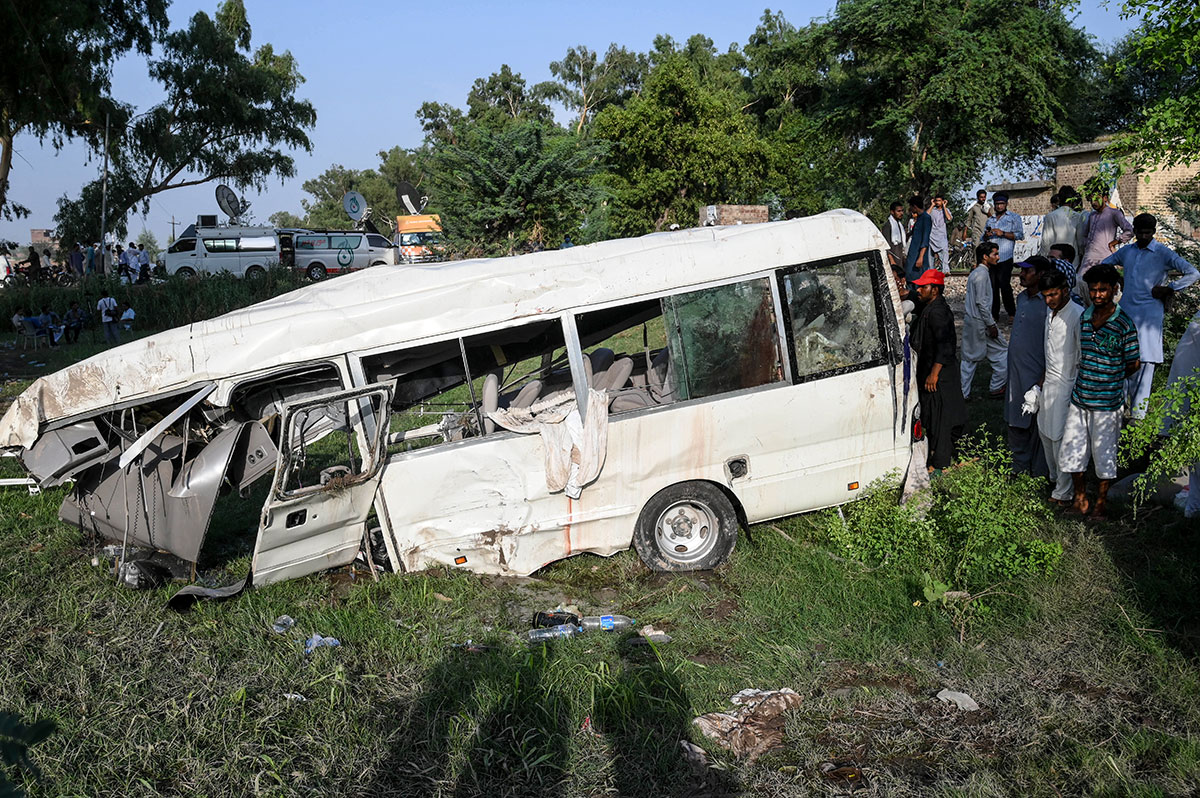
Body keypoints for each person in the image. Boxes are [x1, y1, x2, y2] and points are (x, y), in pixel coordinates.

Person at [1059, 264, 1141, 520]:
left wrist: (1110, 378)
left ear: (1114, 290)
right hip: (1080, 399)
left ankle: (1100, 505)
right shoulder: (1084, 318)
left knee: (1105, 455)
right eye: (1093, 290)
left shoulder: (1124, 323)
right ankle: (1080, 498)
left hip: (1108, 403)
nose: (1097, 295)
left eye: (1103, 290)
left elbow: (1133, 363)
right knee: (1073, 450)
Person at [1100, 213, 1199, 419]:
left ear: (1154, 232)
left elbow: (1193, 273)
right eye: (1140, 232)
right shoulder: (1128, 251)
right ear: (1134, 232)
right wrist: (1119, 279)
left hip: (1150, 318)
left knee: (1144, 366)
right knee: (1121, 363)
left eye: (1148, 232)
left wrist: (1169, 289)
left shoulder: (1163, 253)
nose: (1144, 236)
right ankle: (1117, 416)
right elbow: (1104, 265)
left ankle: (1138, 421)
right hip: (1126, 315)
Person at [911, 268, 967, 472]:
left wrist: (934, 373)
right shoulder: (930, 307)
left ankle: (941, 461)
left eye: (923, 287)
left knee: (942, 417)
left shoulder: (938, 313)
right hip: (931, 371)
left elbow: (945, 345)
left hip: (940, 375)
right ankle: (936, 452)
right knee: (933, 415)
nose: (918, 290)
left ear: (934, 290)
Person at [1037, 267, 1083, 507]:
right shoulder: (1049, 311)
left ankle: (1064, 492)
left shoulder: (1077, 315)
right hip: (1050, 383)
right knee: (1045, 432)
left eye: (1053, 294)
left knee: (1060, 437)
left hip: (1068, 384)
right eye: (1045, 295)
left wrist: (1076, 389)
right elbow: (1050, 352)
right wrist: (1041, 382)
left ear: (1065, 290)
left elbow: (1082, 356)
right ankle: (1055, 479)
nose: (1049, 300)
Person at [1004, 257, 1050, 476]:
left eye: (1027, 271)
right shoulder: (1022, 298)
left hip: (1038, 375)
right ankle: (1019, 468)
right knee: (1015, 418)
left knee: (1038, 423)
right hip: (1015, 374)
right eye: (1021, 271)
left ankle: (1039, 473)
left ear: (1041, 274)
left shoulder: (1049, 304)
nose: (1022, 275)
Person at [960, 242, 1008, 399]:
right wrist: (991, 324)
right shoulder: (981, 275)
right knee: (998, 352)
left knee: (972, 359)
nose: (998, 257)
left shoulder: (979, 273)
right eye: (994, 254)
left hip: (976, 322)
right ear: (985, 257)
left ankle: (966, 392)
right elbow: (981, 303)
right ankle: (994, 387)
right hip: (980, 322)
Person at [983, 192, 1024, 320]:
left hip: (1005, 257)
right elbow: (982, 238)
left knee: (1004, 285)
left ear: (1006, 204)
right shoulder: (990, 219)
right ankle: (994, 315)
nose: (999, 206)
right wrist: (987, 235)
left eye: (1002, 204)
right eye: (997, 204)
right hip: (991, 259)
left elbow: (1019, 235)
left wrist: (1003, 233)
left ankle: (1011, 313)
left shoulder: (1013, 217)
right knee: (993, 286)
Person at [1080, 189, 1132, 279]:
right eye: (1091, 200)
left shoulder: (1114, 213)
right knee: (1082, 281)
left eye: (1096, 199)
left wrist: (1114, 243)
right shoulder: (1092, 215)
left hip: (1104, 256)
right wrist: (1088, 245)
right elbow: (1084, 235)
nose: (1093, 203)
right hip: (1089, 257)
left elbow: (1130, 231)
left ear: (1105, 198)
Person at [1039, 193, 1081, 264]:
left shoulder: (1050, 216)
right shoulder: (1078, 216)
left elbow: (1045, 241)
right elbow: (1081, 241)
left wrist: (1044, 258)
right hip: (1073, 260)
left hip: (1054, 259)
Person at [905, 195, 932, 283]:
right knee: (909, 276)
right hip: (913, 252)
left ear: (915, 207)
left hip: (918, 255)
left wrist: (920, 257)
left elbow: (925, 240)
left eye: (911, 207)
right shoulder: (919, 219)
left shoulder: (926, 218)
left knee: (918, 280)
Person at [928, 193, 953, 274]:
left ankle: (945, 270)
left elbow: (949, 218)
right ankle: (931, 272)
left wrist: (944, 207)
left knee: (944, 253)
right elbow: (925, 216)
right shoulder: (932, 210)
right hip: (932, 235)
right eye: (936, 201)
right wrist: (932, 205)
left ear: (942, 201)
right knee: (930, 256)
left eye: (939, 201)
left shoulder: (946, 210)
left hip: (942, 236)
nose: (938, 202)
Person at [882, 201, 908, 271]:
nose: (901, 213)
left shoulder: (899, 225)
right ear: (892, 212)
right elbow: (886, 246)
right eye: (898, 211)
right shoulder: (888, 226)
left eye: (902, 211)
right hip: (893, 261)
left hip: (900, 259)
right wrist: (892, 261)